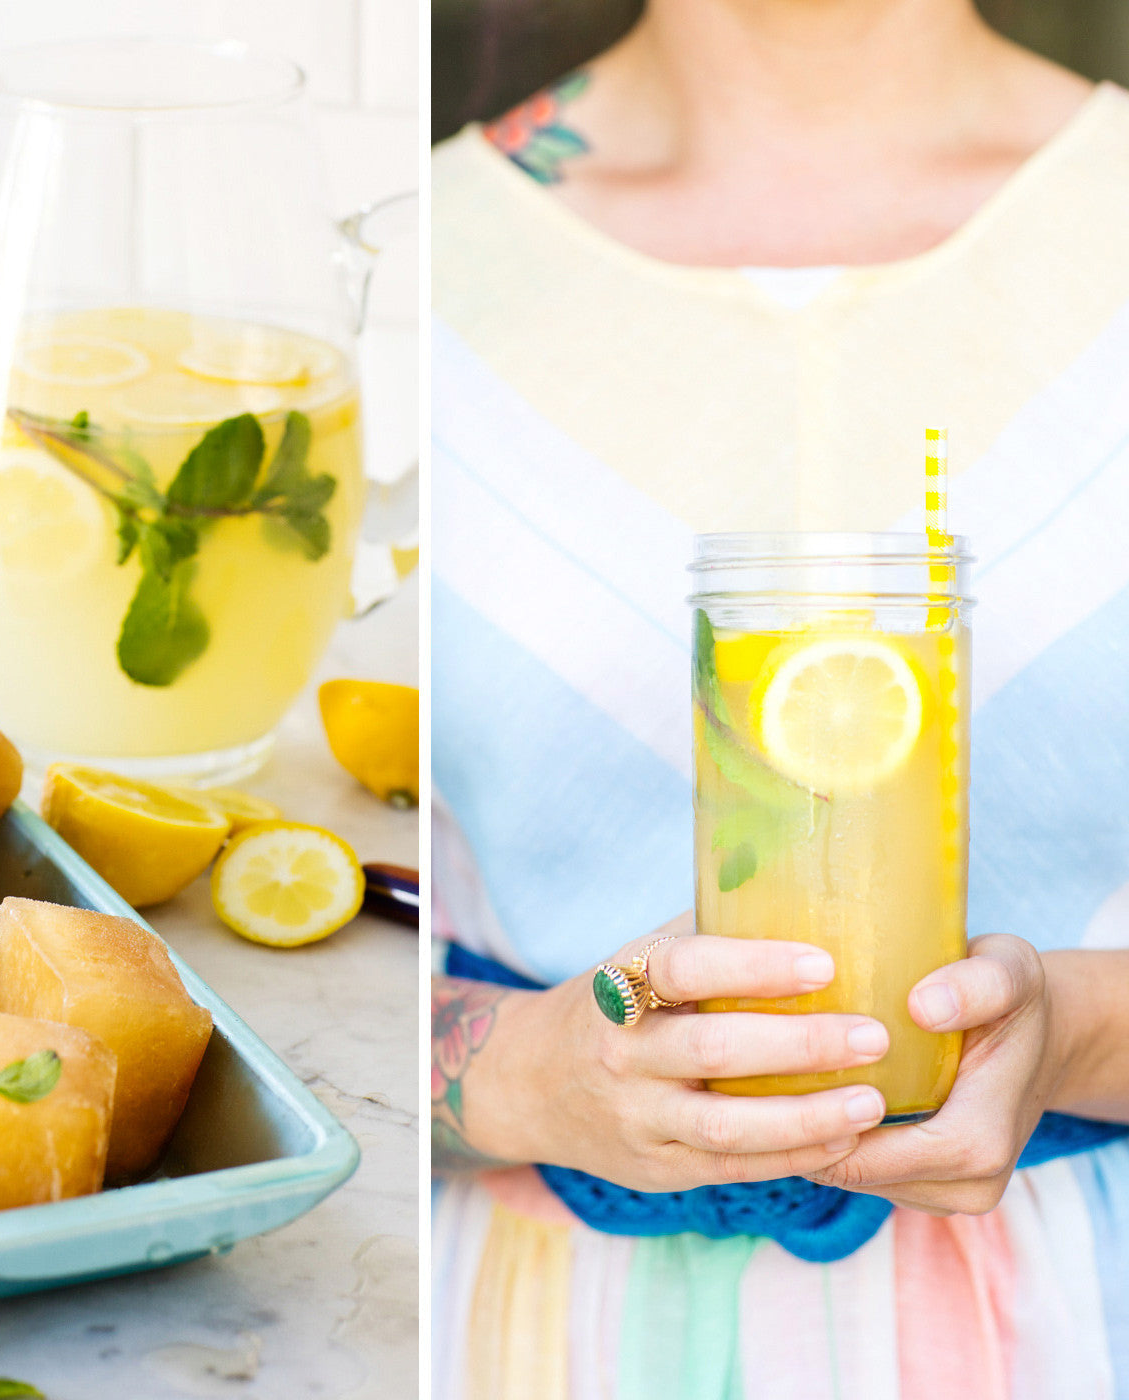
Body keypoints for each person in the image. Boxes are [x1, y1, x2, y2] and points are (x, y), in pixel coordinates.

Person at [430, 0, 1129, 1393]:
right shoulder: (424, 266)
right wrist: (517, 1073)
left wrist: (1078, 1029)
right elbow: (298, 951)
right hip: (529, 1335)